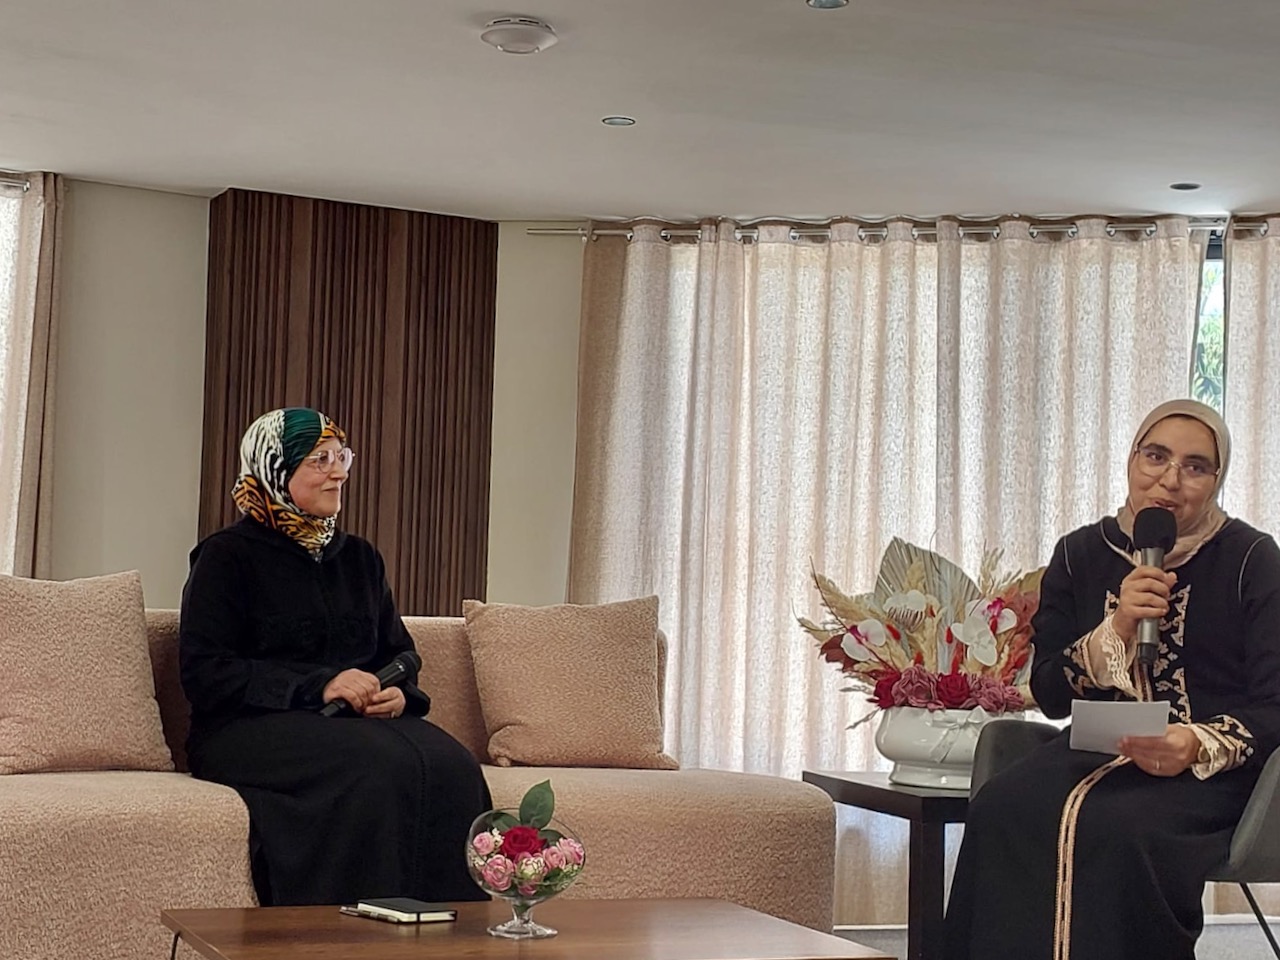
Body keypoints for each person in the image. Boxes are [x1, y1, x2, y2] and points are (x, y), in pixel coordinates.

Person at [943, 399, 1280, 960]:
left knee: (1122, 827)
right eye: (1156, 457)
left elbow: (1275, 702)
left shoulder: (1252, 559)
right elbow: (1050, 693)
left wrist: (1193, 741)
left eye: (1195, 467)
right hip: (1093, 752)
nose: (1170, 480)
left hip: (1208, 771)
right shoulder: (1079, 554)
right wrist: (1118, 628)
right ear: (1131, 459)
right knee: (1002, 805)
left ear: (1216, 481)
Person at [179, 407, 491, 906]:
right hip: (246, 727)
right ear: (275, 470)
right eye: (319, 460)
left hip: (352, 725)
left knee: (454, 764)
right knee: (377, 767)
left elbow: (398, 651)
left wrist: (398, 694)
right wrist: (319, 685)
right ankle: (349, 929)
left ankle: (451, 932)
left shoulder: (360, 558)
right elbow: (205, 672)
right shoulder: (226, 556)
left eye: (341, 457)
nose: (339, 473)